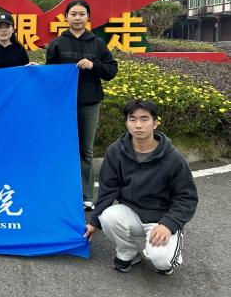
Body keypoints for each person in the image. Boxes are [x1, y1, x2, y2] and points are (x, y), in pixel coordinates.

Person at [84, 99, 198, 275]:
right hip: (132, 213)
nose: (138, 125)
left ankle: (168, 250)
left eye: (144, 119)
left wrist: (169, 224)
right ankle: (129, 252)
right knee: (107, 216)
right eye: (132, 119)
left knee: (162, 262)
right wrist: (94, 222)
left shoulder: (173, 158)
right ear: (126, 123)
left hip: (160, 219)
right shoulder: (116, 151)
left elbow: (186, 197)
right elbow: (108, 189)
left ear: (155, 123)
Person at [45, 0, 118, 211]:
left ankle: (86, 195)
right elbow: (50, 75)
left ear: (88, 17)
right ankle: (63, 192)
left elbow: (111, 71)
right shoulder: (57, 43)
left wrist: (93, 65)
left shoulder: (97, 43)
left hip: (89, 103)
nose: (77, 18)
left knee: (86, 150)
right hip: (63, 106)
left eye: (81, 14)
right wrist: (34, 71)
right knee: (63, 149)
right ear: (66, 17)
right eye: (73, 14)